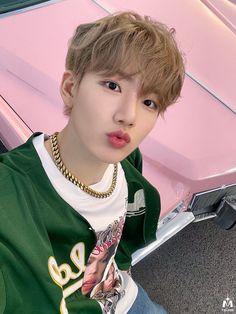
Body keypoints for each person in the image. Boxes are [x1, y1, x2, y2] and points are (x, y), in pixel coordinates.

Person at [0, 11, 184, 314]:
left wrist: (119, 267)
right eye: (113, 86)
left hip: (126, 299)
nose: (129, 115)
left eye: (149, 102)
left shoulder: (126, 166)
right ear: (71, 88)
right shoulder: (12, 193)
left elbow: (118, 244)